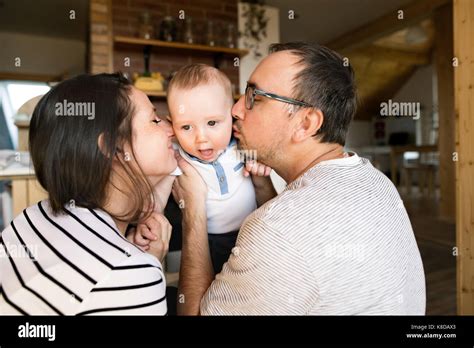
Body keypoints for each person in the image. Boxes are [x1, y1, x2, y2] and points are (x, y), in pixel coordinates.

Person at [174, 42, 426, 315]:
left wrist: (193, 212)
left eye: (254, 97)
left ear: (305, 124)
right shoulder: (376, 182)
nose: (235, 109)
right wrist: (263, 188)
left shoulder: (276, 232)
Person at [0, 73, 175, 315]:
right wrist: (144, 266)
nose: (171, 129)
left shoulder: (31, 217)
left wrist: (135, 256)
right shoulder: (128, 274)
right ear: (112, 148)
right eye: (155, 120)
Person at [133, 63, 275, 274]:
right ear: (173, 125)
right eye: (186, 127)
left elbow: (261, 160)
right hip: (207, 241)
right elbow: (161, 194)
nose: (201, 138)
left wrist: (260, 165)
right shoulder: (177, 156)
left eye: (212, 123)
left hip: (252, 232)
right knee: (210, 287)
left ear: (231, 116)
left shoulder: (242, 145)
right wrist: (151, 216)